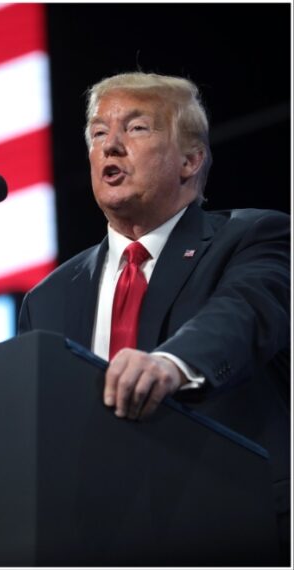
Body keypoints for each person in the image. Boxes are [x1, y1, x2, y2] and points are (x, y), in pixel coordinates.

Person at [18, 72, 289, 560]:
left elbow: (241, 314)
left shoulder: (254, 237)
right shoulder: (49, 299)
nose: (111, 147)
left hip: (233, 531)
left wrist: (169, 364)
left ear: (190, 160)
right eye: (99, 133)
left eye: (137, 128)